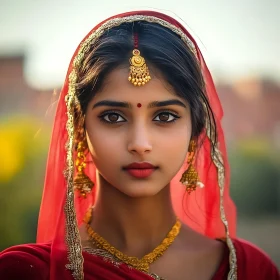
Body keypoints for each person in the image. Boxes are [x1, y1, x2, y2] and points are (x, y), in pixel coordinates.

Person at [0, 10, 279, 280]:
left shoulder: (249, 270)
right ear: (79, 128)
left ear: (196, 130)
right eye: (113, 117)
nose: (140, 144)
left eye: (165, 116)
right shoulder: (23, 271)